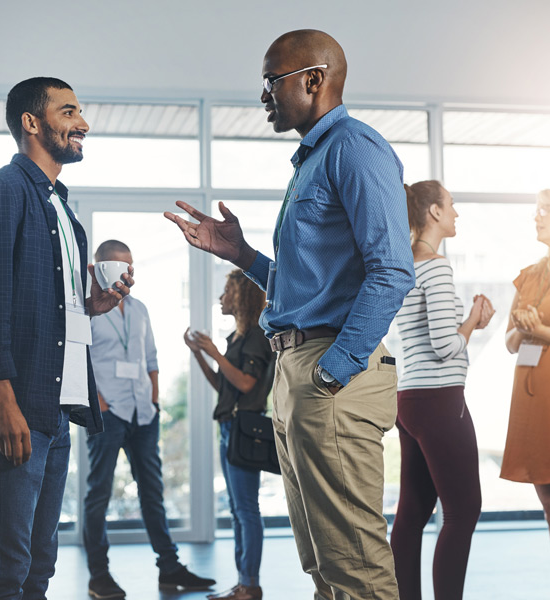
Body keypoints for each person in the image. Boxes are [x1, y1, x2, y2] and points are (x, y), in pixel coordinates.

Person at [165, 29, 414, 599]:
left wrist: (335, 369)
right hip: (297, 372)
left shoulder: (354, 148)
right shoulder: (313, 161)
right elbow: (303, 289)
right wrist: (241, 255)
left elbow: (394, 269)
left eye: (271, 81)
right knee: (324, 564)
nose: (263, 96)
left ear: (314, 79)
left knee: (355, 566)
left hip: (328, 374)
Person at [0, 77, 133, 600]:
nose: (83, 123)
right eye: (69, 111)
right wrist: (3, 402)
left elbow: (49, 310)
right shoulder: (0, 194)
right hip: (14, 407)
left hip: (53, 411)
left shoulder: (63, 211)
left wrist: (91, 306)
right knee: (4, 572)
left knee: (36, 570)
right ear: (32, 123)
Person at [83, 239, 215, 599]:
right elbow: (80, 359)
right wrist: (100, 403)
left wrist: (154, 400)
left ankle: (169, 569)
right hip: (108, 412)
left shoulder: (139, 309)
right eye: (116, 266)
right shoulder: (87, 309)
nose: (125, 272)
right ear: (98, 269)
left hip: (143, 412)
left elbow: (151, 359)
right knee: (99, 494)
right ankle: (99, 575)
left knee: (153, 493)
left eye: (129, 266)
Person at [390, 181, 495, 599]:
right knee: (464, 510)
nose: (456, 213)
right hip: (439, 397)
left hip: (410, 398)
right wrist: (472, 319)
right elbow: (446, 345)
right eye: (451, 205)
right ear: (433, 212)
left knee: (413, 512)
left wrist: (469, 324)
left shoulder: (403, 264)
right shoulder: (435, 266)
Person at [502, 186, 550, 600]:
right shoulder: (529, 274)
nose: (538, 217)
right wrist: (523, 327)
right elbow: (512, 343)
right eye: (536, 211)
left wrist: (540, 329)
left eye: (546, 210)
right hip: (532, 404)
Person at [184, 269, 275, 600]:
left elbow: (248, 384)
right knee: (239, 510)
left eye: (226, 291)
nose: (222, 297)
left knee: (246, 510)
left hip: (244, 428)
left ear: (242, 296)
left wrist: (214, 353)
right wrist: (199, 353)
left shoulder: (256, 337)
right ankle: (243, 583)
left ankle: (250, 584)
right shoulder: (236, 338)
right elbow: (223, 386)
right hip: (230, 425)